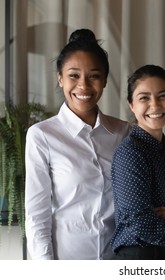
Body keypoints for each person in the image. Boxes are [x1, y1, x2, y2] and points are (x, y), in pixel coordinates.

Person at [25, 29, 130, 260]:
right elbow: (37, 216)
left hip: (118, 260)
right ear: (60, 78)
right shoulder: (42, 136)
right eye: (74, 75)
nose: (83, 86)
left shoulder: (123, 132)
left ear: (104, 80)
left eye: (93, 76)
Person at [110, 64, 165, 260]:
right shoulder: (129, 153)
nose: (155, 105)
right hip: (138, 257)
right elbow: (139, 221)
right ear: (131, 104)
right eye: (144, 98)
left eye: (163, 95)